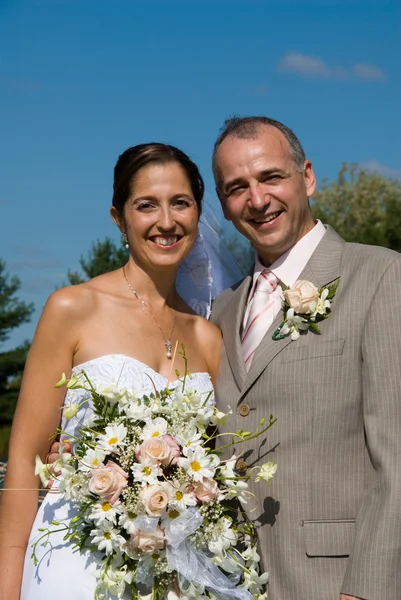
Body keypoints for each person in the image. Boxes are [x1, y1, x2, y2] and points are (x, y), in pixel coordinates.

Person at [0, 143, 222, 599]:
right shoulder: (72, 308)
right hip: (74, 560)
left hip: (178, 574)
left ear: (198, 214)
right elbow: (25, 462)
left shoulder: (208, 338)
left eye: (180, 203)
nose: (166, 221)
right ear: (118, 217)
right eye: (146, 205)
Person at [210, 116, 401, 600]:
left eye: (271, 177)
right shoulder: (221, 311)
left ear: (308, 177)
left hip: (336, 583)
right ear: (224, 204)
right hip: (232, 583)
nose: (257, 199)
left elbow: (396, 456)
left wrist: (367, 590)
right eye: (237, 187)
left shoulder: (381, 276)